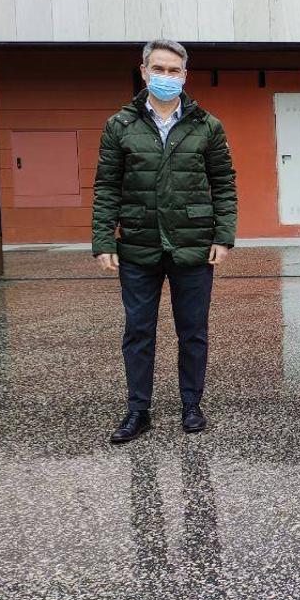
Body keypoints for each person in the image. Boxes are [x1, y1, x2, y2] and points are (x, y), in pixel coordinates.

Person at [93, 39, 238, 443]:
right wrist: (104, 240)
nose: (166, 77)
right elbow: (107, 186)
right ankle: (138, 410)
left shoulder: (206, 125)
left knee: (192, 330)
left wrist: (223, 236)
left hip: (193, 245)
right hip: (138, 245)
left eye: (174, 71)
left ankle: (191, 405)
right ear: (144, 71)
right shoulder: (119, 125)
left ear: (185, 75)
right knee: (138, 331)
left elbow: (224, 183)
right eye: (159, 69)